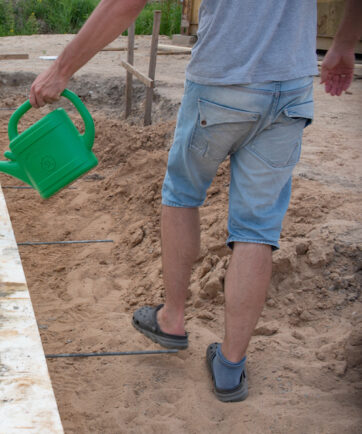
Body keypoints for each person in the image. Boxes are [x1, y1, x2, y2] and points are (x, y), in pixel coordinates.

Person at [29, 0, 360, 402]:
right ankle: (230, 367)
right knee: (257, 228)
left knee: (182, 195)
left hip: (221, 84)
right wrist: (343, 44)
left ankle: (172, 319)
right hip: (290, 88)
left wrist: (61, 69)